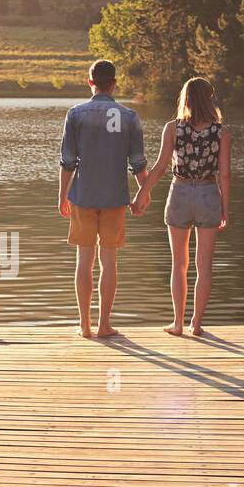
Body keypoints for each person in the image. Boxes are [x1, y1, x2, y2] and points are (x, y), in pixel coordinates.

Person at [133, 76, 231, 337]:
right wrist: (224, 208)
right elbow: (225, 175)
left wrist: (142, 194)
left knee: (179, 264)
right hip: (209, 193)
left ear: (185, 98)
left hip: (180, 192)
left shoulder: (173, 128)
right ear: (210, 98)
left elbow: (160, 167)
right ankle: (196, 323)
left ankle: (177, 323)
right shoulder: (221, 132)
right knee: (204, 266)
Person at [58, 59, 148, 338]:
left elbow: (68, 161)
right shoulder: (129, 117)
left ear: (90, 83)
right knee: (110, 262)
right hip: (114, 197)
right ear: (114, 84)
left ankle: (84, 326)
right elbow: (138, 162)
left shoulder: (76, 114)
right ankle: (104, 324)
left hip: (83, 195)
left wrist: (62, 194)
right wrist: (144, 193)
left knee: (83, 261)